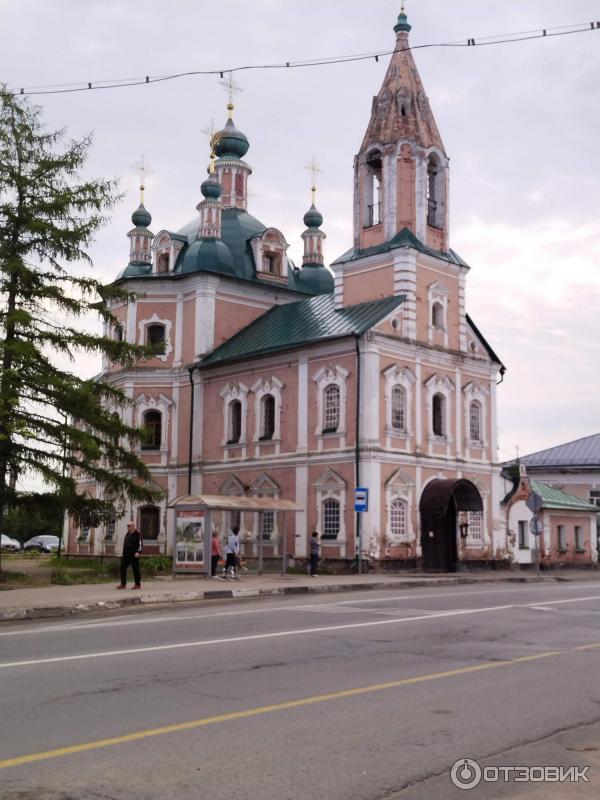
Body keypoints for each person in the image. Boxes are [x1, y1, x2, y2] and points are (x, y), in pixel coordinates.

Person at [117, 521, 143, 589]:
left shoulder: (137, 534)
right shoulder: (127, 534)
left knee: (135, 569)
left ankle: (137, 584)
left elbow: (140, 544)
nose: (127, 527)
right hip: (126, 555)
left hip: (134, 555)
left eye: (129, 526)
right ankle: (123, 584)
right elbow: (125, 544)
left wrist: (138, 552)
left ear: (133, 526)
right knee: (122, 567)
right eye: (127, 526)